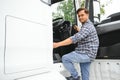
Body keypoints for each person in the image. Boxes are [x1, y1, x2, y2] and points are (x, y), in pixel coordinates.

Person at [53, 8, 99, 80]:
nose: (80, 17)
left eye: (82, 15)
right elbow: (84, 34)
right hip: (90, 54)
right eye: (79, 16)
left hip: (85, 54)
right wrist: (79, 30)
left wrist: (57, 44)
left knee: (65, 58)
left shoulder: (87, 27)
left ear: (87, 14)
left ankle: (75, 77)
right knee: (85, 75)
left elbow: (73, 39)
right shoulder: (88, 26)